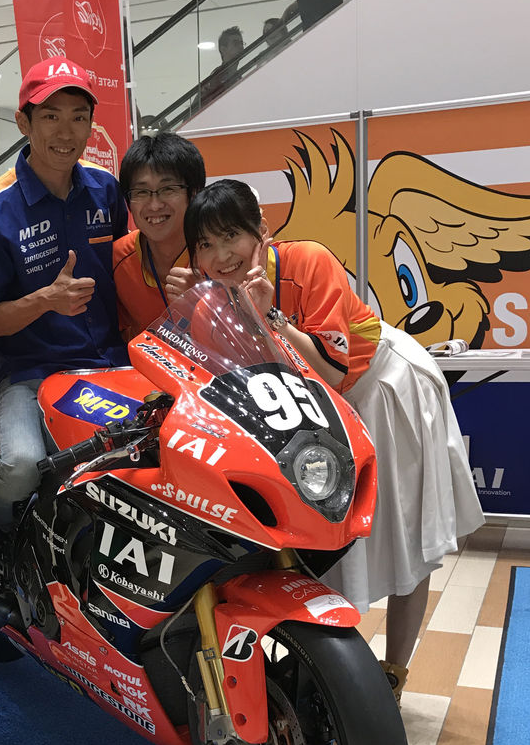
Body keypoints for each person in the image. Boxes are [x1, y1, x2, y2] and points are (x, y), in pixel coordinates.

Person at [182, 179, 483, 701]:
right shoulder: (212, 304)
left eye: (231, 236)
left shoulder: (307, 262)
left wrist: (268, 315)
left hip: (381, 389)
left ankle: (393, 672)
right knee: (326, 542)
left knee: (406, 534)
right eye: (205, 244)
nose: (221, 255)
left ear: (261, 230)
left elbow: (332, 371)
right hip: (315, 417)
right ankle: (333, 680)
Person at [0, 56, 128, 547]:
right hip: (28, 375)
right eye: (50, 116)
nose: (65, 131)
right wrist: (45, 301)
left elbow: (131, 267)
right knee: (21, 467)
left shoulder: (106, 189)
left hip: (108, 366)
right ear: (23, 122)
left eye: (78, 117)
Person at [114, 133, 206, 340]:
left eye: (168, 189)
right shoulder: (117, 259)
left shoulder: (222, 255)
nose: (154, 205)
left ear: (194, 193)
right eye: (141, 192)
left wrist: (206, 301)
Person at [200, 26, 244, 104]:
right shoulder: (217, 76)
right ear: (223, 49)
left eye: (241, 43)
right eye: (236, 43)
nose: (241, 46)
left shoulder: (236, 75)